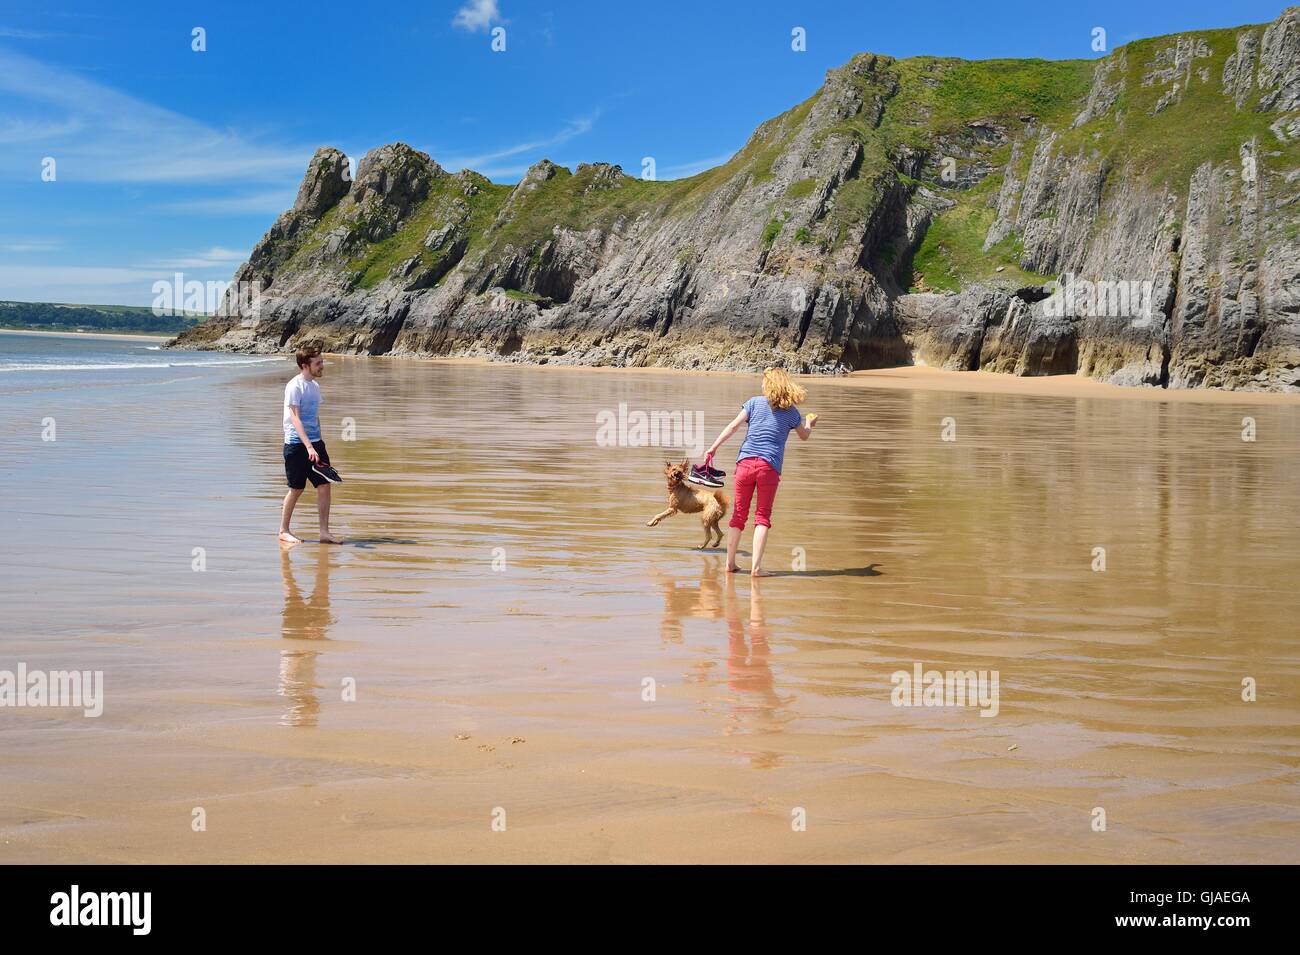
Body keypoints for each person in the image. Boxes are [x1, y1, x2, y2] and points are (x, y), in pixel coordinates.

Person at [703, 367, 816, 576]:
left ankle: (730, 564)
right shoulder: (792, 412)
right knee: (762, 516)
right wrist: (809, 423)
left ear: (768, 385)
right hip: (769, 467)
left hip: (745, 463)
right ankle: (756, 568)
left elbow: (732, 427)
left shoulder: (754, 403)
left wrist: (713, 447)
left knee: (738, 515)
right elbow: (804, 436)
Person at [279, 346, 343, 545]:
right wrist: (308, 447)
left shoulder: (314, 386)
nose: (322, 366)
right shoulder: (294, 386)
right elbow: (296, 419)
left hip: (315, 443)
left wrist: (319, 442)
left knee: (324, 485)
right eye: (318, 363)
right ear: (304, 366)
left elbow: (314, 417)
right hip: (297, 445)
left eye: (322, 362)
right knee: (296, 488)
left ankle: (324, 532)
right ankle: (283, 530)